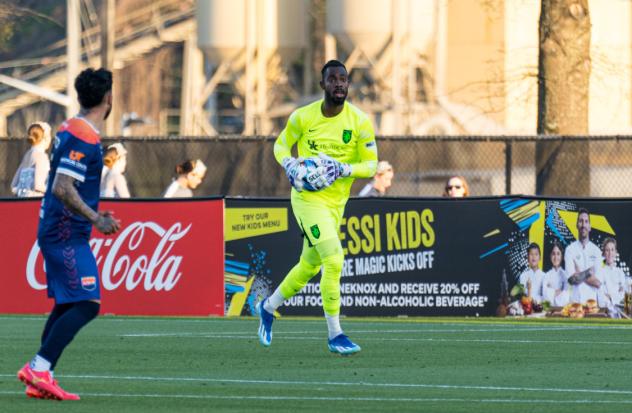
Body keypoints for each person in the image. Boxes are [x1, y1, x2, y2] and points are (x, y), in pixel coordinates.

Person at [257, 60, 378, 355]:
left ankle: (268, 307)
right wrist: (288, 163)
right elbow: (280, 146)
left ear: (348, 85)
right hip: (307, 201)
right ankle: (335, 334)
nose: (339, 83)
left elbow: (371, 165)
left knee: (309, 265)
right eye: (333, 79)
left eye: (343, 79)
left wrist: (342, 168)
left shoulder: (359, 121)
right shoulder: (303, 117)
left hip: (336, 204)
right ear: (322, 85)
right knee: (334, 258)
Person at [17, 68, 121, 401]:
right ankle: (39, 367)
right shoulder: (84, 136)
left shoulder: (69, 127)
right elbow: (63, 187)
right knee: (88, 304)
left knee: (67, 302)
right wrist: (96, 218)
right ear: (108, 98)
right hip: (65, 232)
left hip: (61, 230)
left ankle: (40, 375)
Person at [564, 208, 602, 304]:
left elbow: (598, 283)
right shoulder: (569, 250)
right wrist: (588, 272)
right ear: (577, 225)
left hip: (592, 305)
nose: (583, 225)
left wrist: (578, 272)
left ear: (590, 226)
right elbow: (572, 280)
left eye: (586, 221)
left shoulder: (597, 251)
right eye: (580, 221)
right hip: (574, 303)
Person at [11, 122, 52, 197]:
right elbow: (38, 186)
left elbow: (13, 185)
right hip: (35, 202)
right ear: (45, 138)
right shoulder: (41, 156)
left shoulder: (28, 155)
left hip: (21, 201)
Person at [597, 237, 626, 310]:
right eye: (607, 250)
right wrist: (616, 296)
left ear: (616, 252)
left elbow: (623, 296)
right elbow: (601, 297)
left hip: (620, 312)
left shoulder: (620, 272)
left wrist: (610, 297)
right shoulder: (600, 271)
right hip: (605, 312)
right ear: (603, 253)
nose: (610, 253)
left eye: (612, 250)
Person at [542, 241, 570, 307]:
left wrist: (551, 292)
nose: (555, 257)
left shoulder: (566, 275)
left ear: (562, 256)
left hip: (563, 310)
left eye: (558, 254)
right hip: (549, 311)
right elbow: (545, 296)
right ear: (550, 256)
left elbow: (567, 297)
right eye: (553, 254)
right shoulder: (546, 275)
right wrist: (559, 292)